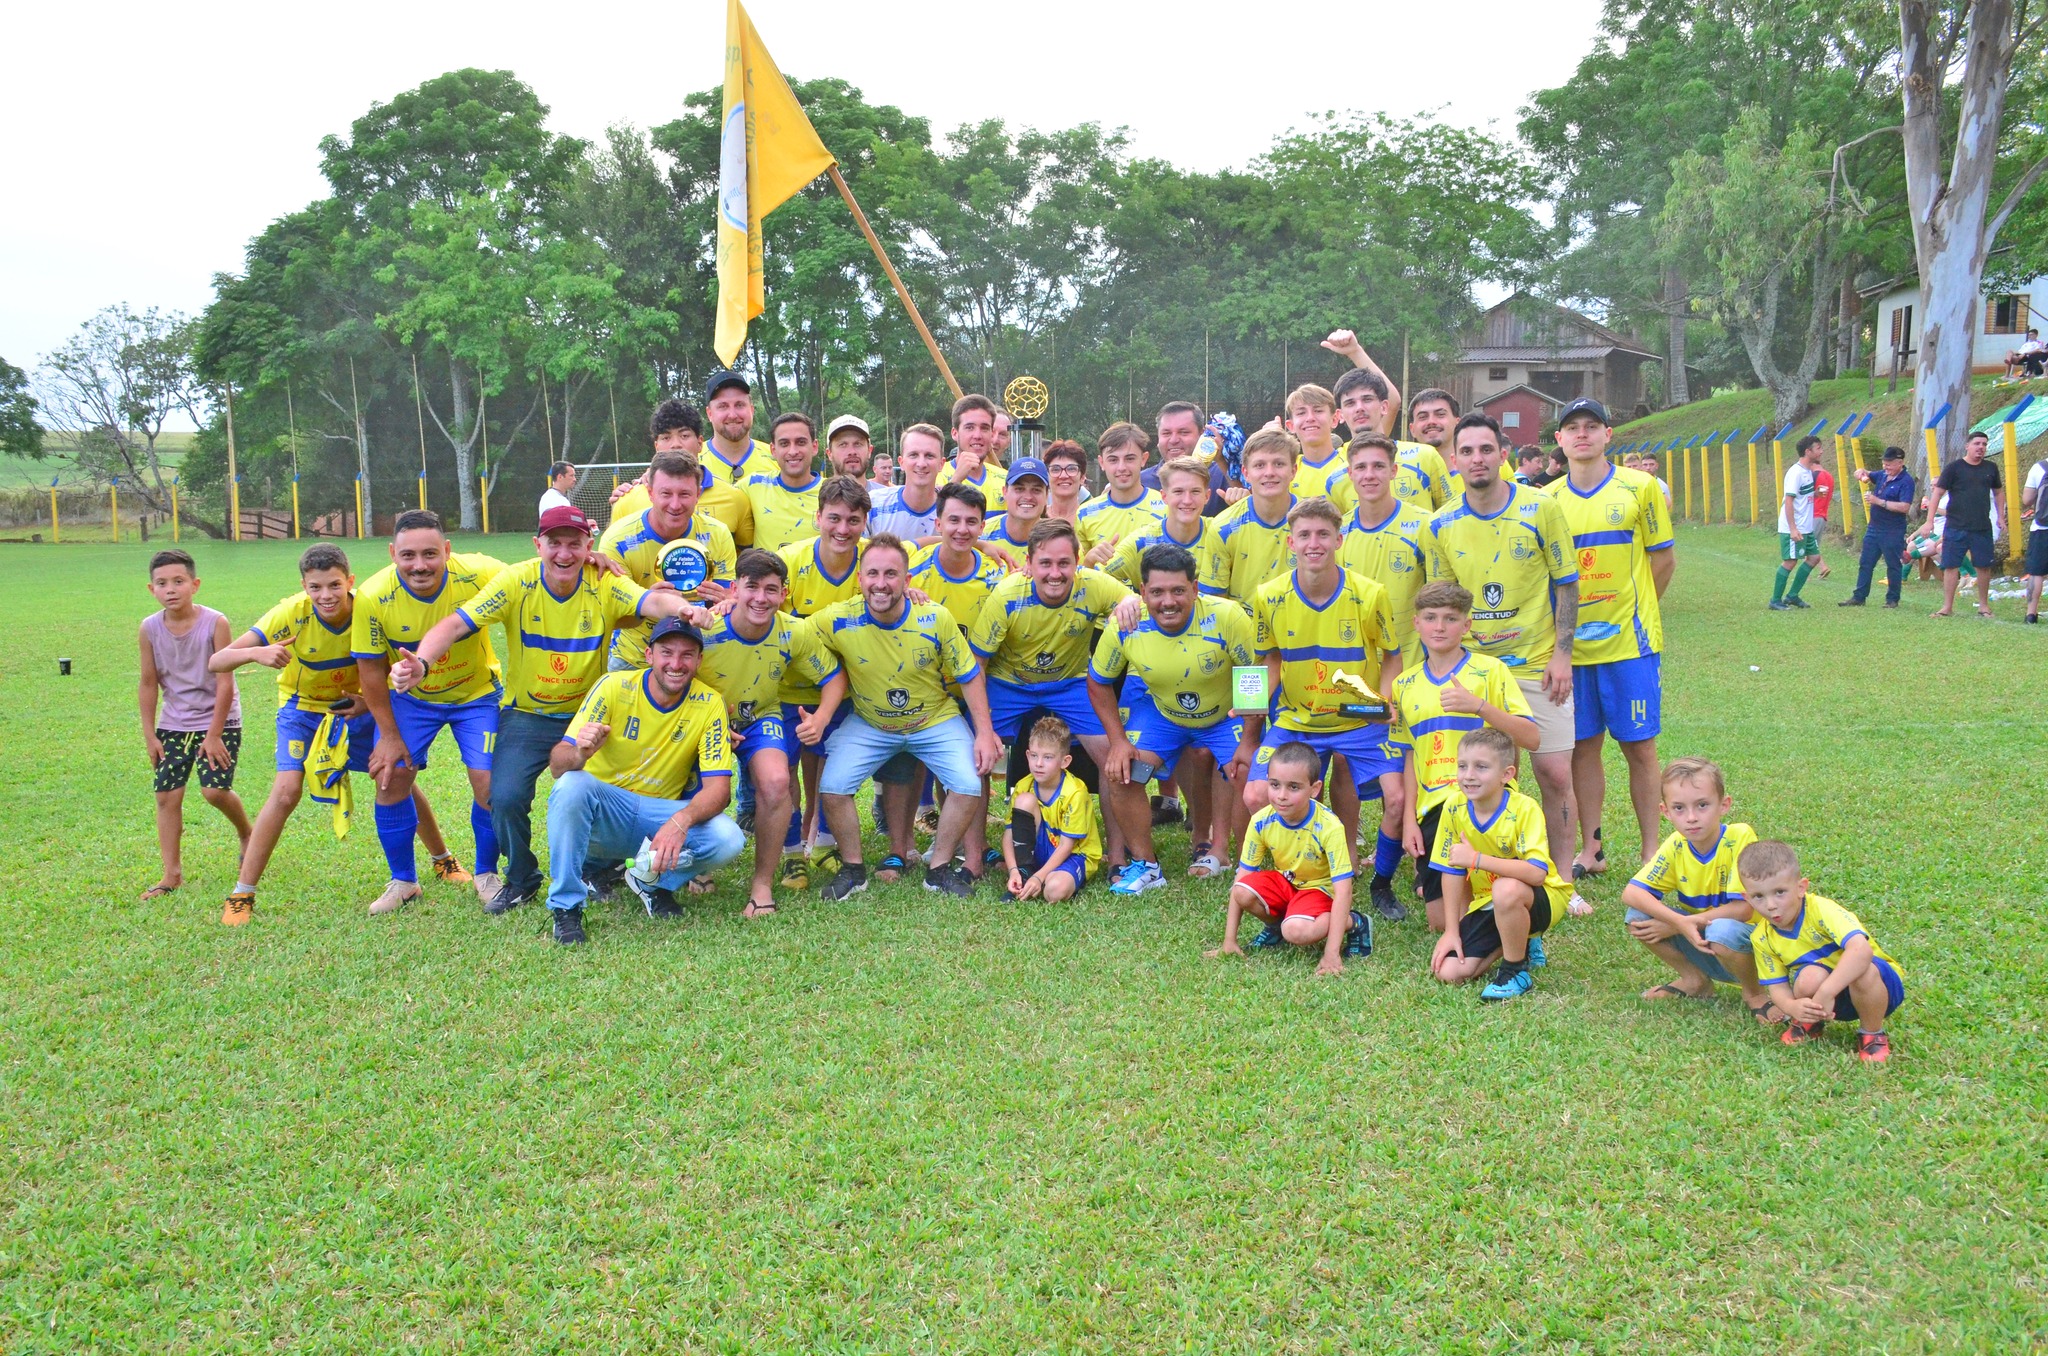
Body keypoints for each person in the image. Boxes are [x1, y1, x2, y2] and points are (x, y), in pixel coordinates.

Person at [396, 505, 686, 915]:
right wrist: (422, 663)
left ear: (588, 546)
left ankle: (598, 869)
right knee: (504, 796)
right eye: (554, 543)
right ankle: (522, 878)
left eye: (574, 544)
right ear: (538, 545)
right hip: (527, 714)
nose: (564, 553)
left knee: (621, 790)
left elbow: (651, 602)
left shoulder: (603, 580)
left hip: (590, 714)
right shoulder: (517, 581)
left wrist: (684, 609)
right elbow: (456, 624)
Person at [208, 545, 460, 925]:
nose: (325, 595)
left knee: (394, 775)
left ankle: (443, 861)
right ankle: (242, 894)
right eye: (315, 587)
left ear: (350, 581)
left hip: (356, 708)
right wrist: (255, 654)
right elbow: (217, 660)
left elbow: (396, 672)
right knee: (286, 792)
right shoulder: (292, 613)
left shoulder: (370, 610)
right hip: (303, 712)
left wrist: (367, 703)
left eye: (334, 585)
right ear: (304, 586)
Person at [1427, 412, 1582, 913]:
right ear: (1454, 460)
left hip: (1537, 664)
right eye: (1467, 451)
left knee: (1554, 774)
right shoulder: (1440, 523)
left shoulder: (1541, 508)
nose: (1477, 459)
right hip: (1474, 669)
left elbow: (1567, 583)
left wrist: (1562, 654)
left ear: (1503, 454)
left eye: (1486, 449)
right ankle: (1480, 871)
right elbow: (1444, 602)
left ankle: (1562, 880)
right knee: (1476, 775)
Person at [809, 533, 1004, 900]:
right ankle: (853, 870)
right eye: (872, 573)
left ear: (907, 579)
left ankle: (939, 869)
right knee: (833, 787)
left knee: (968, 785)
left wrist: (983, 731)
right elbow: (789, 631)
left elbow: (968, 675)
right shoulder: (838, 618)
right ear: (860, 578)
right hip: (871, 722)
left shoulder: (934, 617)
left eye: (891, 574)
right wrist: (731, 604)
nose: (880, 583)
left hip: (933, 719)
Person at [543, 616, 747, 945]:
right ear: (649, 655)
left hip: (659, 815)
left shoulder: (710, 703)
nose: (676, 664)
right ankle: (567, 906)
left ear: (699, 661)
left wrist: (681, 821)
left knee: (729, 838)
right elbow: (557, 766)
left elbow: (719, 791)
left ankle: (650, 881)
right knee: (571, 785)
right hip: (607, 812)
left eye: (686, 655)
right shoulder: (613, 686)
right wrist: (580, 752)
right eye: (667, 652)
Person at [350, 511, 508, 915]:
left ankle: (487, 874)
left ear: (448, 551)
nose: (419, 565)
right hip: (412, 701)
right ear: (392, 554)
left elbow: (536, 576)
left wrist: (593, 559)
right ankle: (404, 881)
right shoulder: (373, 595)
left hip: (476, 695)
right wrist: (388, 735)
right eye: (408, 555)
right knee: (389, 777)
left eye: (430, 554)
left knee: (489, 785)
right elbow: (370, 671)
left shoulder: (479, 573)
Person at [1246, 499, 1404, 897]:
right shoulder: (1268, 595)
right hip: (1297, 719)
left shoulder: (1370, 594)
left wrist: (1383, 700)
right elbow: (1269, 659)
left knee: (1398, 798)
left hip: (1357, 716)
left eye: (1323, 534)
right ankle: (1297, 869)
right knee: (1255, 794)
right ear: (1291, 542)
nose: (1313, 543)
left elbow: (1392, 656)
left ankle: (1379, 879)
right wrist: (1250, 704)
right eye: (1304, 535)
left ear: (1339, 539)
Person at [1551, 397, 1675, 884]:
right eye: (1572, 428)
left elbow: (1663, 559)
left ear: (1608, 434)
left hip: (1630, 647)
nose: (1582, 434)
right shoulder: (1548, 500)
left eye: (1591, 426)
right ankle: (1593, 848)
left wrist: (1637, 611)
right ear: (1559, 440)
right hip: (1573, 651)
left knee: (1640, 748)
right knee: (1583, 747)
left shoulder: (1640, 488)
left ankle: (1651, 853)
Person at [1089, 542, 1259, 890]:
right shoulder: (1126, 624)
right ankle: (1147, 866)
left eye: (1178, 590)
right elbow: (1098, 683)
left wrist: (1250, 739)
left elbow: (1253, 675)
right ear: (1142, 592)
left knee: (1245, 770)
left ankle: (1245, 863)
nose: (1168, 601)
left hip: (1224, 716)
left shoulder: (1227, 617)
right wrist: (1118, 742)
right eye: (1157, 592)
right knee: (1122, 772)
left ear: (1195, 588)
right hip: (1164, 716)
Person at [692, 548, 846, 916]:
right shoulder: (706, 628)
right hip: (703, 720)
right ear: (735, 589)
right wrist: (711, 724)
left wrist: (821, 718)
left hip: (761, 716)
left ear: (784, 594)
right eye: (752, 587)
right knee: (696, 785)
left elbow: (833, 677)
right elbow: (674, 678)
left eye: (771, 589)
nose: (761, 598)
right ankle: (697, 865)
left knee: (777, 782)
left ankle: (761, 885)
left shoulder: (793, 631)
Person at [1387, 582, 1540, 928]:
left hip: (1488, 803)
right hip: (1435, 809)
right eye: (1430, 618)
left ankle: (1516, 916)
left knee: (1497, 902)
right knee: (1441, 923)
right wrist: (1410, 820)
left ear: (1466, 625)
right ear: (1416, 623)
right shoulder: (1404, 685)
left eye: (1450, 618)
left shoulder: (1491, 671)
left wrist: (1480, 706)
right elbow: (1410, 756)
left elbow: (1531, 738)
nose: (1439, 627)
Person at [967, 520, 1133, 838]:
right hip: (1008, 683)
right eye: (1045, 563)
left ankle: (1117, 854)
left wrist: (1128, 603)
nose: (1055, 573)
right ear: (1029, 563)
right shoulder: (1007, 595)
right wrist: (984, 732)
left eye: (1063, 563)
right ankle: (974, 855)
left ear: (1077, 562)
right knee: (975, 757)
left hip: (1069, 683)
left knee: (1113, 756)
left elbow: (1131, 600)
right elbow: (977, 664)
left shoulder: (1094, 584)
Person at [1620, 758, 1778, 1021]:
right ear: (1665, 811)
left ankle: (1754, 993)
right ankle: (1695, 981)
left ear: (1724, 805)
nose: (1691, 817)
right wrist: (1679, 922)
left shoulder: (1739, 836)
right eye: (1679, 808)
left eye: (1702, 805)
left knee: (1722, 930)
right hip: (1704, 939)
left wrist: (1680, 925)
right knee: (1637, 917)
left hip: (1751, 948)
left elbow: (1743, 909)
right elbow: (1632, 893)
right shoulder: (1676, 845)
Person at [138, 549, 251, 904]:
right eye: (161, 583)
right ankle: (171, 875)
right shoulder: (149, 628)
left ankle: (247, 833)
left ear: (194, 584)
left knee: (214, 791)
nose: (170, 589)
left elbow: (225, 681)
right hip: (174, 722)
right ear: (151, 589)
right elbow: (148, 683)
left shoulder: (215, 622)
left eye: (178, 581)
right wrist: (150, 735)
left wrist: (214, 734)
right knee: (166, 796)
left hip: (219, 719)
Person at [1428, 728, 1568, 1002]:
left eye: (1481, 767)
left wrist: (1476, 860)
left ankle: (1515, 971)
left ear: (1507, 774)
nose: (1468, 775)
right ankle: (1521, 937)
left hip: (1543, 897)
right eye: (1462, 766)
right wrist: (1452, 931)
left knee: (1505, 889)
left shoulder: (1524, 809)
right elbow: (1452, 869)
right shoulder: (1454, 806)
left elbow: (1537, 874)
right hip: (1488, 902)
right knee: (1449, 972)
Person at [1208, 740, 1369, 975]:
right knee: (1241, 890)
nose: (1281, 796)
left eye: (1293, 787)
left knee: (1295, 931)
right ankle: (1277, 927)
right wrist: (1229, 941)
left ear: (1314, 789)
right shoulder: (1261, 820)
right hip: (1287, 883)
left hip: (1319, 891)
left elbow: (1343, 890)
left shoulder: (1329, 826)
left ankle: (1355, 922)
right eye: (1275, 785)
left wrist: (1331, 954)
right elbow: (1241, 877)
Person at [777, 476, 872, 872]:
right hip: (784, 689)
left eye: (853, 520)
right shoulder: (789, 561)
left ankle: (823, 841)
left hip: (843, 691)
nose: (842, 529)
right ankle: (789, 850)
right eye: (834, 518)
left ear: (865, 522)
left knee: (832, 768)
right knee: (782, 773)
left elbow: (918, 551)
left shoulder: (872, 561)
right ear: (817, 517)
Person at [1738, 839, 1903, 1063]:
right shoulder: (1761, 937)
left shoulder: (1822, 910)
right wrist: (1792, 1006)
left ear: (1801, 888)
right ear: (1747, 898)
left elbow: (1861, 951)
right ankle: (1810, 1022)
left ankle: (1872, 1034)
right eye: (1759, 896)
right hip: (1829, 1001)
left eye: (1779, 892)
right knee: (1808, 977)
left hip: (1879, 988)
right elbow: (1777, 987)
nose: (1770, 905)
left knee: (1863, 971)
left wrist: (1826, 992)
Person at [598, 451, 738, 671]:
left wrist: (723, 601)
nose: (675, 504)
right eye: (666, 494)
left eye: (684, 494)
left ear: (698, 494)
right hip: (634, 659)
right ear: (650, 493)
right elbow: (611, 617)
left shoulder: (717, 534)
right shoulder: (618, 540)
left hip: (699, 658)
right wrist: (646, 603)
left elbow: (726, 602)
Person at [1339, 434, 1443, 669]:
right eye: (1361, 467)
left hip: (1412, 668)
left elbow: (1441, 600)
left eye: (1378, 466)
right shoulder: (1339, 532)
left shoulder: (1425, 525)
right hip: (1356, 669)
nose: (1369, 475)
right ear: (1350, 474)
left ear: (1393, 471)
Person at [611, 400, 755, 550]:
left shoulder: (736, 499)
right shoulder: (627, 501)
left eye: (684, 435)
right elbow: (612, 556)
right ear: (656, 446)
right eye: (666, 438)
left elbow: (745, 559)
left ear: (700, 443)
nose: (676, 444)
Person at [1002, 715, 1103, 902]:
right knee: (1024, 801)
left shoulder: (1075, 791)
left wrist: (1040, 877)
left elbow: (1066, 846)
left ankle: (1046, 876)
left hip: (1074, 854)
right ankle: (1025, 872)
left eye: (1048, 757)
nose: (1039, 763)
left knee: (1054, 891)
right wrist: (1013, 870)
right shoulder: (1024, 785)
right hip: (1043, 849)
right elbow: (1009, 834)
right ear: (1027, 755)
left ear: (1065, 761)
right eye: (1034, 756)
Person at [1215, 428, 1302, 608]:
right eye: (1260, 465)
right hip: (1243, 625)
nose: (1269, 472)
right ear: (1246, 473)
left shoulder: (1314, 522)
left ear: (1294, 470)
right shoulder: (1223, 526)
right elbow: (1215, 603)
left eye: (1279, 464)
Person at [1928, 430, 2006, 619]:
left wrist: (2001, 517)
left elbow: (1998, 492)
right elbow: (1937, 493)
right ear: (1967, 446)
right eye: (1977, 443)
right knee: (1951, 566)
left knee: (1983, 566)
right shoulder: (1954, 468)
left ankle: (1984, 606)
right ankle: (1947, 607)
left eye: (1984, 444)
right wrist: (1929, 521)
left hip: (1982, 527)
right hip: (1956, 526)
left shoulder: (1991, 468)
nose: (1981, 447)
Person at [1076, 421, 1166, 568]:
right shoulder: (1084, 514)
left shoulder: (1167, 507)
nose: (1121, 467)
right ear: (1102, 463)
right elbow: (1077, 576)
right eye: (1113, 460)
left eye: (1130, 458)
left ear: (1143, 459)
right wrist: (1089, 562)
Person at [1843, 446, 1916, 608]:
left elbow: (1904, 507)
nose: (1885, 467)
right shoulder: (1883, 475)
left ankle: (1892, 600)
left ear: (1900, 463)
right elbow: (1866, 473)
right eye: (1884, 463)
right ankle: (1859, 597)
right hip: (1874, 528)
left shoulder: (1906, 482)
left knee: (1893, 565)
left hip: (1892, 530)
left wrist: (1879, 502)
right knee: (1866, 562)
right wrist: (1861, 472)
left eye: (1889, 464)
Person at [744, 412, 825, 553]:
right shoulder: (753, 485)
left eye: (801, 442)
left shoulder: (832, 493)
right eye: (784, 444)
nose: (792, 451)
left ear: (814, 447)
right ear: (773, 450)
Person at [1140, 400, 1232, 514]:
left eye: (1183, 432)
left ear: (1202, 434)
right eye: (1166, 433)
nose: (1174, 440)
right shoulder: (1141, 482)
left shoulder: (1224, 476)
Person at [1280, 384, 1357, 517]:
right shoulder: (1286, 469)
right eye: (1301, 413)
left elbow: (1391, 405)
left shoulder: (1353, 456)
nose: (1310, 418)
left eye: (1318, 410)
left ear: (1335, 419)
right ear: (1290, 426)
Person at [1770, 435, 1827, 611]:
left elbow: (1802, 496)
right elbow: (1789, 501)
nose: (1821, 451)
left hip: (1806, 526)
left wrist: (1815, 494)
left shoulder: (1808, 471)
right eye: (1818, 448)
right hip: (1794, 527)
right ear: (1808, 451)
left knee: (1814, 558)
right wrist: (1793, 529)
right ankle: (1775, 600)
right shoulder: (1795, 473)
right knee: (1790, 562)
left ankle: (1792, 596)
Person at [869, 422, 945, 544]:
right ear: (901, 462)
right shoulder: (874, 504)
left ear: (941, 464)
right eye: (913, 455)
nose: (921, 464)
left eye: (929, 456)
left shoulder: (954, 511)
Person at [701, 368, 777, 489]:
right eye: (723, 406)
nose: (732, 415)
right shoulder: (692, 463)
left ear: (752, 410)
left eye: (739, 405)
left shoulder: (777, 459)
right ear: (709, 413)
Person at [938, 394, 1005, 513]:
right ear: (955, 433)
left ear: (991, 434)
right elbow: (929, 520)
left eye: (984, 428)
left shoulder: (1006, 480)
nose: (977, 435)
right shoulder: (936, 476)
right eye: (969, 428)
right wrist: (956, 480)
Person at [982, 457, 1047, 562]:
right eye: (1019, 489)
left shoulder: (1058, 540)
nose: (1028, 497)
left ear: (1047, 496)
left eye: (1036, 490)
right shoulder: (982, 535)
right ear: (1005, 492)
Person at [1042, 439, 1091, 526]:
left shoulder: (1093, 519)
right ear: (1047, 476)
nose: (1063, 475)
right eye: (1056, 469)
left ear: (1082, 477)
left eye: (1071, 469)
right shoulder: (1036, 518)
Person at [824, 414, 874, 481]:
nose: (852, 452)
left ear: (869, 451)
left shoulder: (885, 488)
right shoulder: (819, 488)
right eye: (842, 445)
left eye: (858, 444)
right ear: (829, 453)